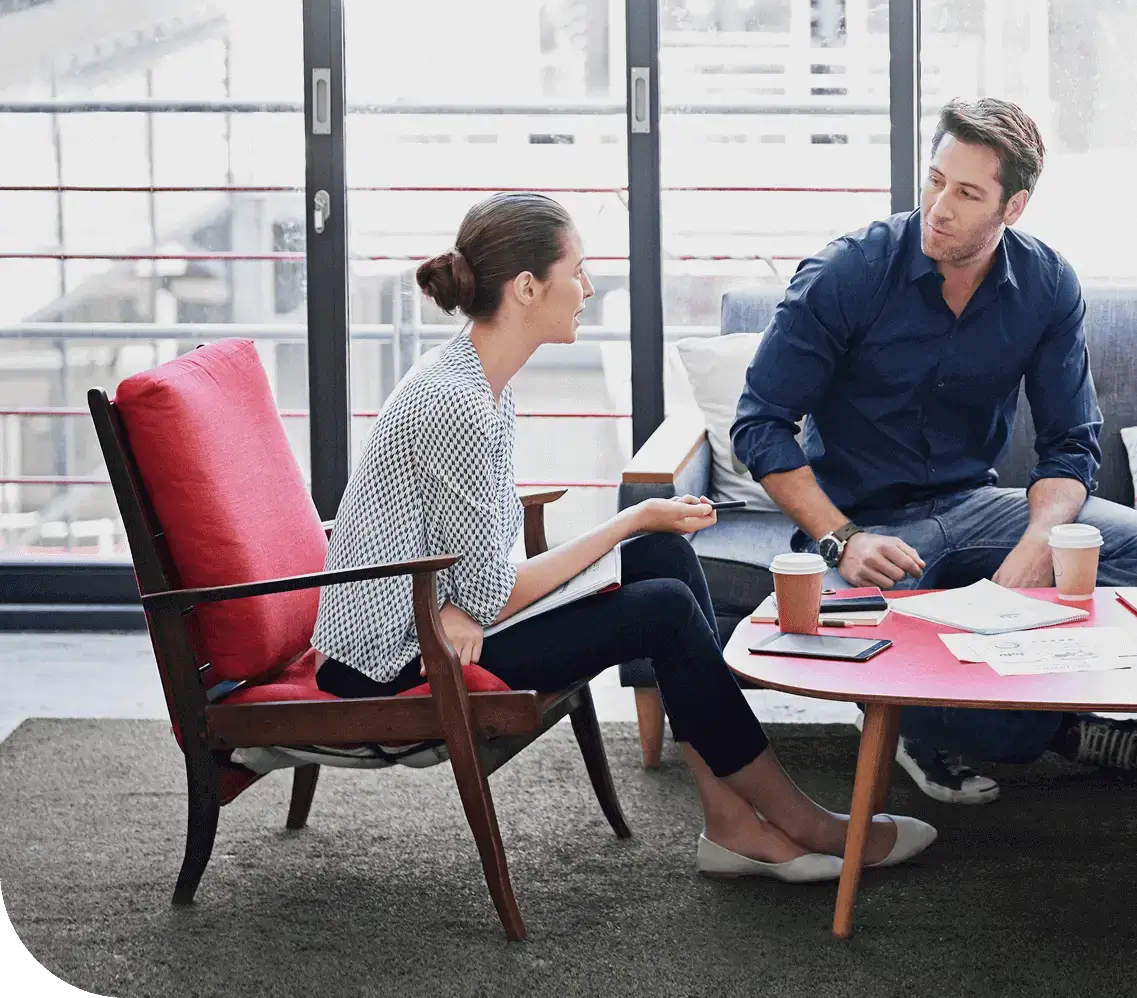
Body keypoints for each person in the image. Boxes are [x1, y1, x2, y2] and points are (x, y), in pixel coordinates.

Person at [312, 193, 934, 883]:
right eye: (577, 270)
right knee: (661, 604)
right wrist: (627, 520)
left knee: (664, 554)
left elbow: (473, 568)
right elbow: (487, 593)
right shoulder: (459, 401)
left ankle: (731, 826)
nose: (588, 287)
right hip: (392, 658)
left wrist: (456, 601)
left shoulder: (479, 377)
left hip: (431, 615)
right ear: (525, 288)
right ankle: (803, 823)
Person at [732, 97, 1137, 805]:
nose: (939, 206)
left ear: (1014, 206)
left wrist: (1039, 544)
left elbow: (1069, 445)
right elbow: (759, 425)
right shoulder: (846, 272)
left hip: (976, 506)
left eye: (967, 193)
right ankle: (1036, 731)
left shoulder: (1046, 284)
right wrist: (840, 538)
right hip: (864, 520)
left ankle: (954, 719)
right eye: (935, 180)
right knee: (870, 647)